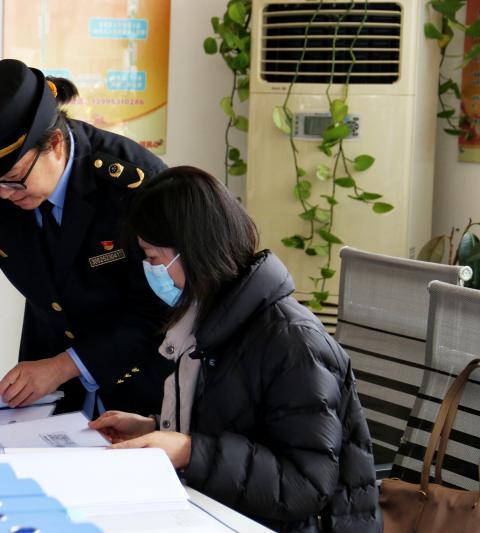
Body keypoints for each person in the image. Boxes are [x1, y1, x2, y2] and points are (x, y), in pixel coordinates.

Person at [88, 166, 380, 532]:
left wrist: (189, 451)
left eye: (153, 257)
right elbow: (233, 422)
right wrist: (155, 428)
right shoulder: (210, 316)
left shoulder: (292, 342)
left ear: (193, 250)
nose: (150, 270)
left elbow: (305, 485)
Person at [0, 59, 173, 418]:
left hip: (140, 389)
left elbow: (159, 311)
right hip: (49, 396)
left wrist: (62, 366)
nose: (4, 195)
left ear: (55, 144)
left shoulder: (132, 184)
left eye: (12, 179)